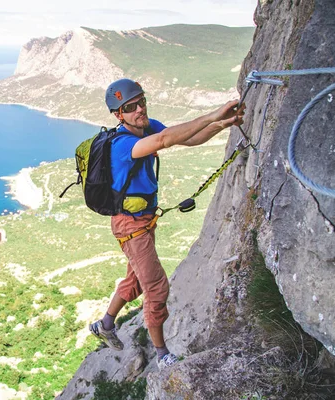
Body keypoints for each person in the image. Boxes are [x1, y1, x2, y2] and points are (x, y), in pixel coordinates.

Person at [89, 78, 245, 370]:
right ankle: (162, 356)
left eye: (142, 102)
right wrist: (213, 114)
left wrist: (223, 124)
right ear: (118, 114)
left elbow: (186, 138)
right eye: (131, 107)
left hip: (143, 221)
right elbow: (163, 141)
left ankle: (105, 324)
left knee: (135, 281)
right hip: (130, 225)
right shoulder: (123, 145)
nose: (139, 109)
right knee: (157, 287)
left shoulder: (147, 126)